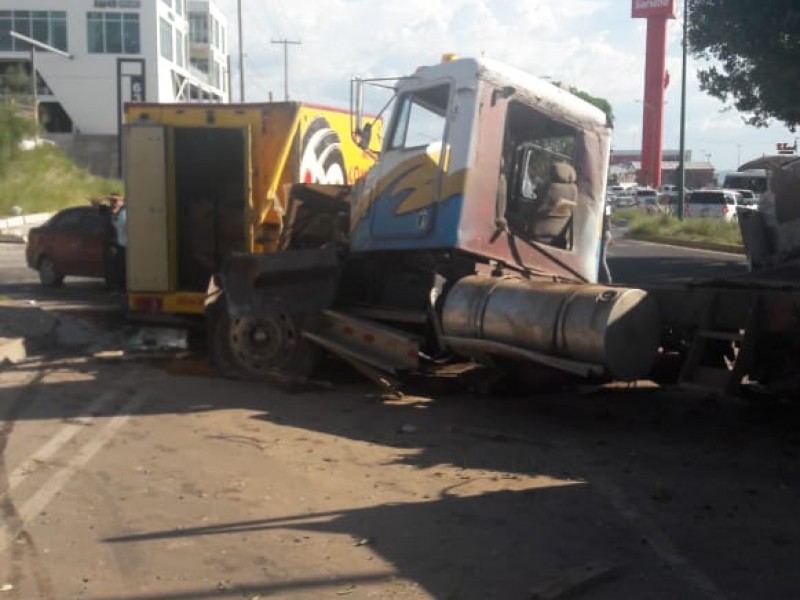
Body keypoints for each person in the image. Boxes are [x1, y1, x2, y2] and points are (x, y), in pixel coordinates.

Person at [107, 193, 127, 291]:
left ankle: (121, 287)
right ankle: (116, 287)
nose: (113, 203)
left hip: (124, 245)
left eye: (115, 201)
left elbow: (121, 225)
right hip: (116, 244)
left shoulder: (124, 212)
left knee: (121, 268)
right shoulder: (110, 212)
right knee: (115, 268)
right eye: (111, 201)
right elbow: (96, 206)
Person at [599, 201, 613, 283]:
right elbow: (608, 220)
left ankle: (608, 280)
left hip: (602, 234)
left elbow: (606, 220)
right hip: (606, 233)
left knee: (601, 260)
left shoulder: (600, 204)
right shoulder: (607, 205)